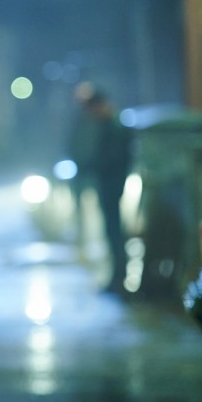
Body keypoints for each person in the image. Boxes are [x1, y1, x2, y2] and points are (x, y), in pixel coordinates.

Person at [69, 82, 132, 295]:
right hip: (109, 184)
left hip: (112, 185)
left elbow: (113, 158)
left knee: (114, 232)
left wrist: (91, 165)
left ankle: (119, 279)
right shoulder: (111, 124)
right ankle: (117, 278)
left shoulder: (114, 126)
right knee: (112, 231)